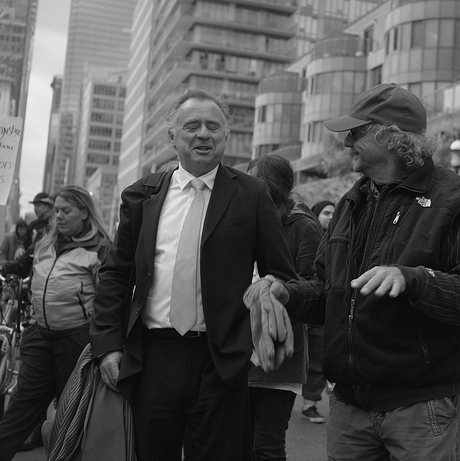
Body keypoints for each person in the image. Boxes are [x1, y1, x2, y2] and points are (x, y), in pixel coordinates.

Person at [245, 83, 460, 460]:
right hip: (348, 404)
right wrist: (288, 293)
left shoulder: (456, 198)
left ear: (391, 137)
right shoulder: (351, 202)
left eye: (355, 132)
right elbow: (328, 290)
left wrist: (414, 279)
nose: (345, 143)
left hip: (420, 406)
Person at [90, 89, 297, 461]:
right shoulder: (142, 196)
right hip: (151, 359)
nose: (204, 134)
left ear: (226, 135)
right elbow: (115, 276)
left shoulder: (252, 194)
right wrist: (108, 346)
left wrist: (252, 340)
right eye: (192, 126)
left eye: (213, 126)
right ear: (172, 137)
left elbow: (281, 274)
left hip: (220, 362)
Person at [0, 186, 111, 461]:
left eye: (65, 210)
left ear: (84, 213)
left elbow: (110, 299)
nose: (58, 216)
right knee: (20, 410)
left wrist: (100, 339)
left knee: (70, 416)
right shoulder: (45, 242)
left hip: (76, 341)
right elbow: (23, 266)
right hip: (40, 336)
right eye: (56, 210)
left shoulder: (102, 247)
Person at [247, 155, 322, 460]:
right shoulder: (246, 218)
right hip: (238, 347)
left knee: (266, 443)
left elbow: (313, 286)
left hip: (279, 348)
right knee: (235, 440)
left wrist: (275, 289)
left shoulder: (304, 227)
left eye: (254, 181)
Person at [300, 199, 336, 424]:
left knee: (319, 354)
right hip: (304, 303)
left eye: (334, 213)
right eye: (326, 212)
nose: (330, 217)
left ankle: (310, 402)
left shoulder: (336, 241)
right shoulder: (306, 235)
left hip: (324, 307)